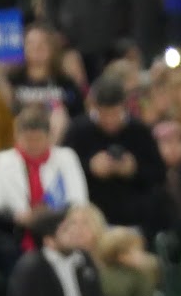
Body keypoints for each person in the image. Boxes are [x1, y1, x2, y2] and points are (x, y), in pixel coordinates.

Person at [66, 76, 166, 231]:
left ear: (124, 108)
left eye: (115, 114)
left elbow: (159, 174)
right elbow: (65, 173)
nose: (110, 121)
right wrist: (89, 168)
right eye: (104, 115)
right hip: (92, 216)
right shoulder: (78, 130)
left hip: (134, 216)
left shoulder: (139, 131)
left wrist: (134, 169)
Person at [0, 104, 90, 237]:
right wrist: (17, 217)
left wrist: (45, 218)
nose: (32, 145)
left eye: (38, 139)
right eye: (27, 140)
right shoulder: (2, 161)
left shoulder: (66, 157)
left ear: (49, 137)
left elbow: (78, 201)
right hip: (15, 233)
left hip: (59, 228)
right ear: (17, 136)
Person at [6, 207, 106, 296]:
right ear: (49, 240)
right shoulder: (31, 267)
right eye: (66, 230)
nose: (74, 232)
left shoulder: (84, 260)